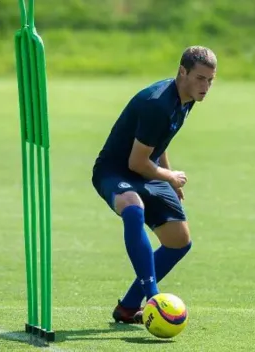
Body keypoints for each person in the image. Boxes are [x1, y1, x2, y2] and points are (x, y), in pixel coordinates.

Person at [91, 46, 217, 323]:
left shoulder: (188, 97)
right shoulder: (158, 104)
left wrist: (168, 178)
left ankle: (127, 308)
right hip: (115, 170)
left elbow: (159, 143)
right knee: (133, 208)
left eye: (210, 80)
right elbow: (136, 163)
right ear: (182, 72)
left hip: (147, 170)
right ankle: (153, 299)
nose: (205, 86)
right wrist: (169, 177)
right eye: (200, 78)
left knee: (179, 242)